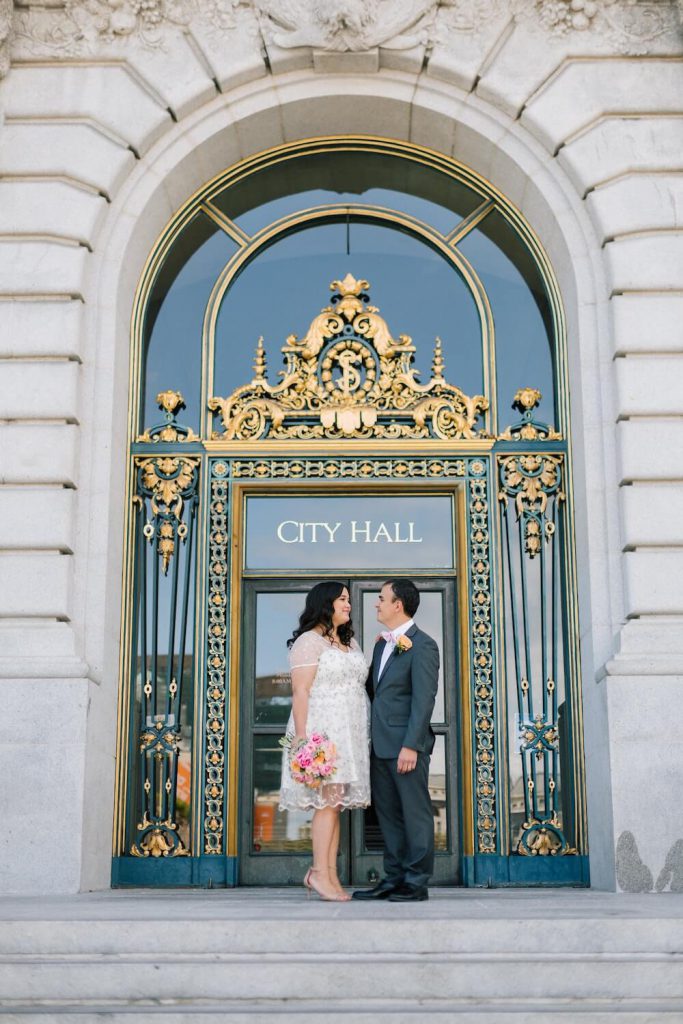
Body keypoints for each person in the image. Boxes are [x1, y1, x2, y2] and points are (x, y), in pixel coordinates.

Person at [279, 581, 370, 901]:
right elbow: (301, 691)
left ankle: (328, 875)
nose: (348, 604)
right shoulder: (309, 641)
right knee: (327, 804)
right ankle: (319, 873)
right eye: (343, 599)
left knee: (337, 804)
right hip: (323, 731)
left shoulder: (350, 642)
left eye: (348, 600)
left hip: (350, 731)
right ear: (326, 603)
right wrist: (303, 740)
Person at [352, 578, 439, 903]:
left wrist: (411, 746)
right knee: (388, 816)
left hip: (405, 748)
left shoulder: (424, 645)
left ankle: (416, 883)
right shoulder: (381, 644)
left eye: (381, 598)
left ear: (397, 605)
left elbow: (423, 700)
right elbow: (375, 692)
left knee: (415, 815)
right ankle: (394, 878)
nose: (376, 603)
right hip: (379, 747)